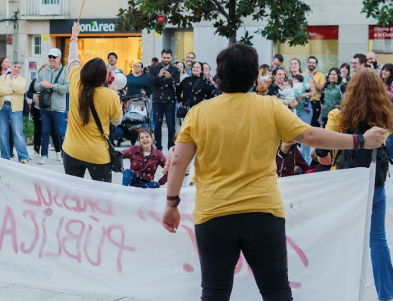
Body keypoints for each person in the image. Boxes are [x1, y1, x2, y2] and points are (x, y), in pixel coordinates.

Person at [162, 43, 386, 301]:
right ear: (255, 75)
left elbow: (178, 161)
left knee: (214, 293)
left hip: (214, 213)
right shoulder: (270, 107)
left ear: (219, 75)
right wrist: (360, 141)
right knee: (276, 290)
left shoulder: (198, 113)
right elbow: (310, 135)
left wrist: (172, 203)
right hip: (263, 213)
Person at [324, 69, 393, 301]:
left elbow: (324, 151)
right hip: (375, 183)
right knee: (378, 238)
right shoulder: (385, 117)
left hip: (344, 185)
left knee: (342, 238)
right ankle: (386, 295)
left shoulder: (338, 116)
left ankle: (341, 292)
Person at [63, 22, 122, 182]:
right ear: (103, 77)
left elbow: (73, 60)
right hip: (98, 155)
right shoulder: (110, 96)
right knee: (102, 200)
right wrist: (115, 95)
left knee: (74, 194)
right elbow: (117, 121)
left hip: (71, 150)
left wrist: (74, 36)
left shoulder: (76, 83)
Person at [34, 48, 69, 165]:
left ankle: (65, 155)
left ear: (59, 58)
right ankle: (44, 155)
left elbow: (67, 88)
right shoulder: (43, 71)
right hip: (45, 107)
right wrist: (42, 85)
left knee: (60, 132)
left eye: (54, 57)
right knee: (45, 131)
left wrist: (52, 86)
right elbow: (35, 86)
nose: (51, 59)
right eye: (50, 57)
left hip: (58, 107)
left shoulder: (65, 72)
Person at [0, 61, 30, 163]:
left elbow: (21, 90)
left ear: (21, 69)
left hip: (16, 109)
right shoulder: (2, 78)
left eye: (19, 67)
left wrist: (12, 80)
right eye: (15, 66)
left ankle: (23, 157)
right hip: (3, 107)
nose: (16, 68)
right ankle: (5, 157)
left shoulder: (23, 80)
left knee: (17, 133)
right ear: (11, 67)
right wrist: (12, 89)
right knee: (3, 133)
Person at [148, 49, 180, 150]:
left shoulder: (175, 70)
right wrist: (159, 76)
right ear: (161, 57)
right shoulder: (154, 68)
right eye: (164, 57)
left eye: (168, 58)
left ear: (171, 57)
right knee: (157, 126)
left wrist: (170, 78)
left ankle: (171, 147)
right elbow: (150, 82)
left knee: (171, 126)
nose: (166, 59)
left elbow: (177, 84)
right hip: (157, 100)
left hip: (170, 101)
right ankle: (158, 148)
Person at [307, 56, 326, 128]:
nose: (311, 64)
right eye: (309, 62)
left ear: (316, 65)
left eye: (313, 63)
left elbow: (321, 88)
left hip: (316, 102)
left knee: (315, 124)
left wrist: (312, 81)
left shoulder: (321, 75)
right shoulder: (303, 74)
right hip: (305, 102)